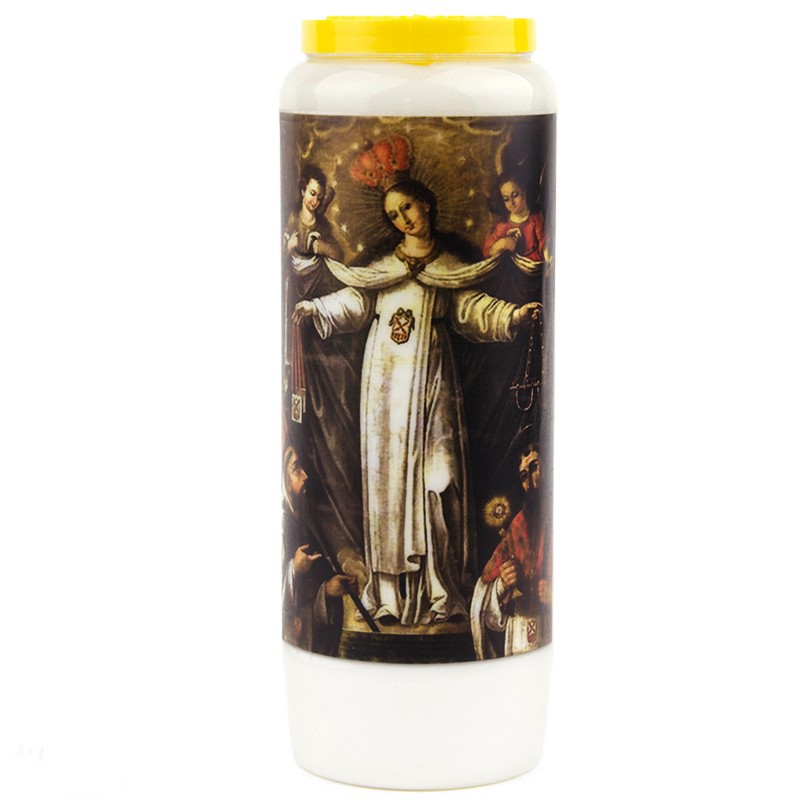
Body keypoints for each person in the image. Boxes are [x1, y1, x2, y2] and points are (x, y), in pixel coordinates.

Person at [293, 169, 541, 627]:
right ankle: (389, 595)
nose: (402, 219)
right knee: (386, 492)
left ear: (425, 203)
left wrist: (513, 315)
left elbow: (471, 309)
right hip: (384, 395)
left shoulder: (450, 266)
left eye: (407, 206)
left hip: (433, 390)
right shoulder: (384, 267)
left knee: (441, 482)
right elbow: (356, 302)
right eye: (393, 214)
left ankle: (441, 591)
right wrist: (317, 306)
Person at [470, 437, 552, 659]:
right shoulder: (518, 525)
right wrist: (502, 584)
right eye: (524, 476)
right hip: (519, 632)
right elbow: (483, 594)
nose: (530, 481)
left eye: (534, 467)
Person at [282, 445, 356, 656]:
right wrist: (294, 568)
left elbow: (311, 587)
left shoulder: (302, 519)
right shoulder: (282, 521)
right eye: (296, 469)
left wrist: (328, 589)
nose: (305, 476)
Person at [482, 171, 546, 261]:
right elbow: (486, 251)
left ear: (524, 192)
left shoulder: (535, 218)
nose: (511, 202)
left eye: (515, 195)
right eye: (506, 199)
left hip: (532, 266)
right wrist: (500, 245)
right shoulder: (503, 225)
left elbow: (544, 242)